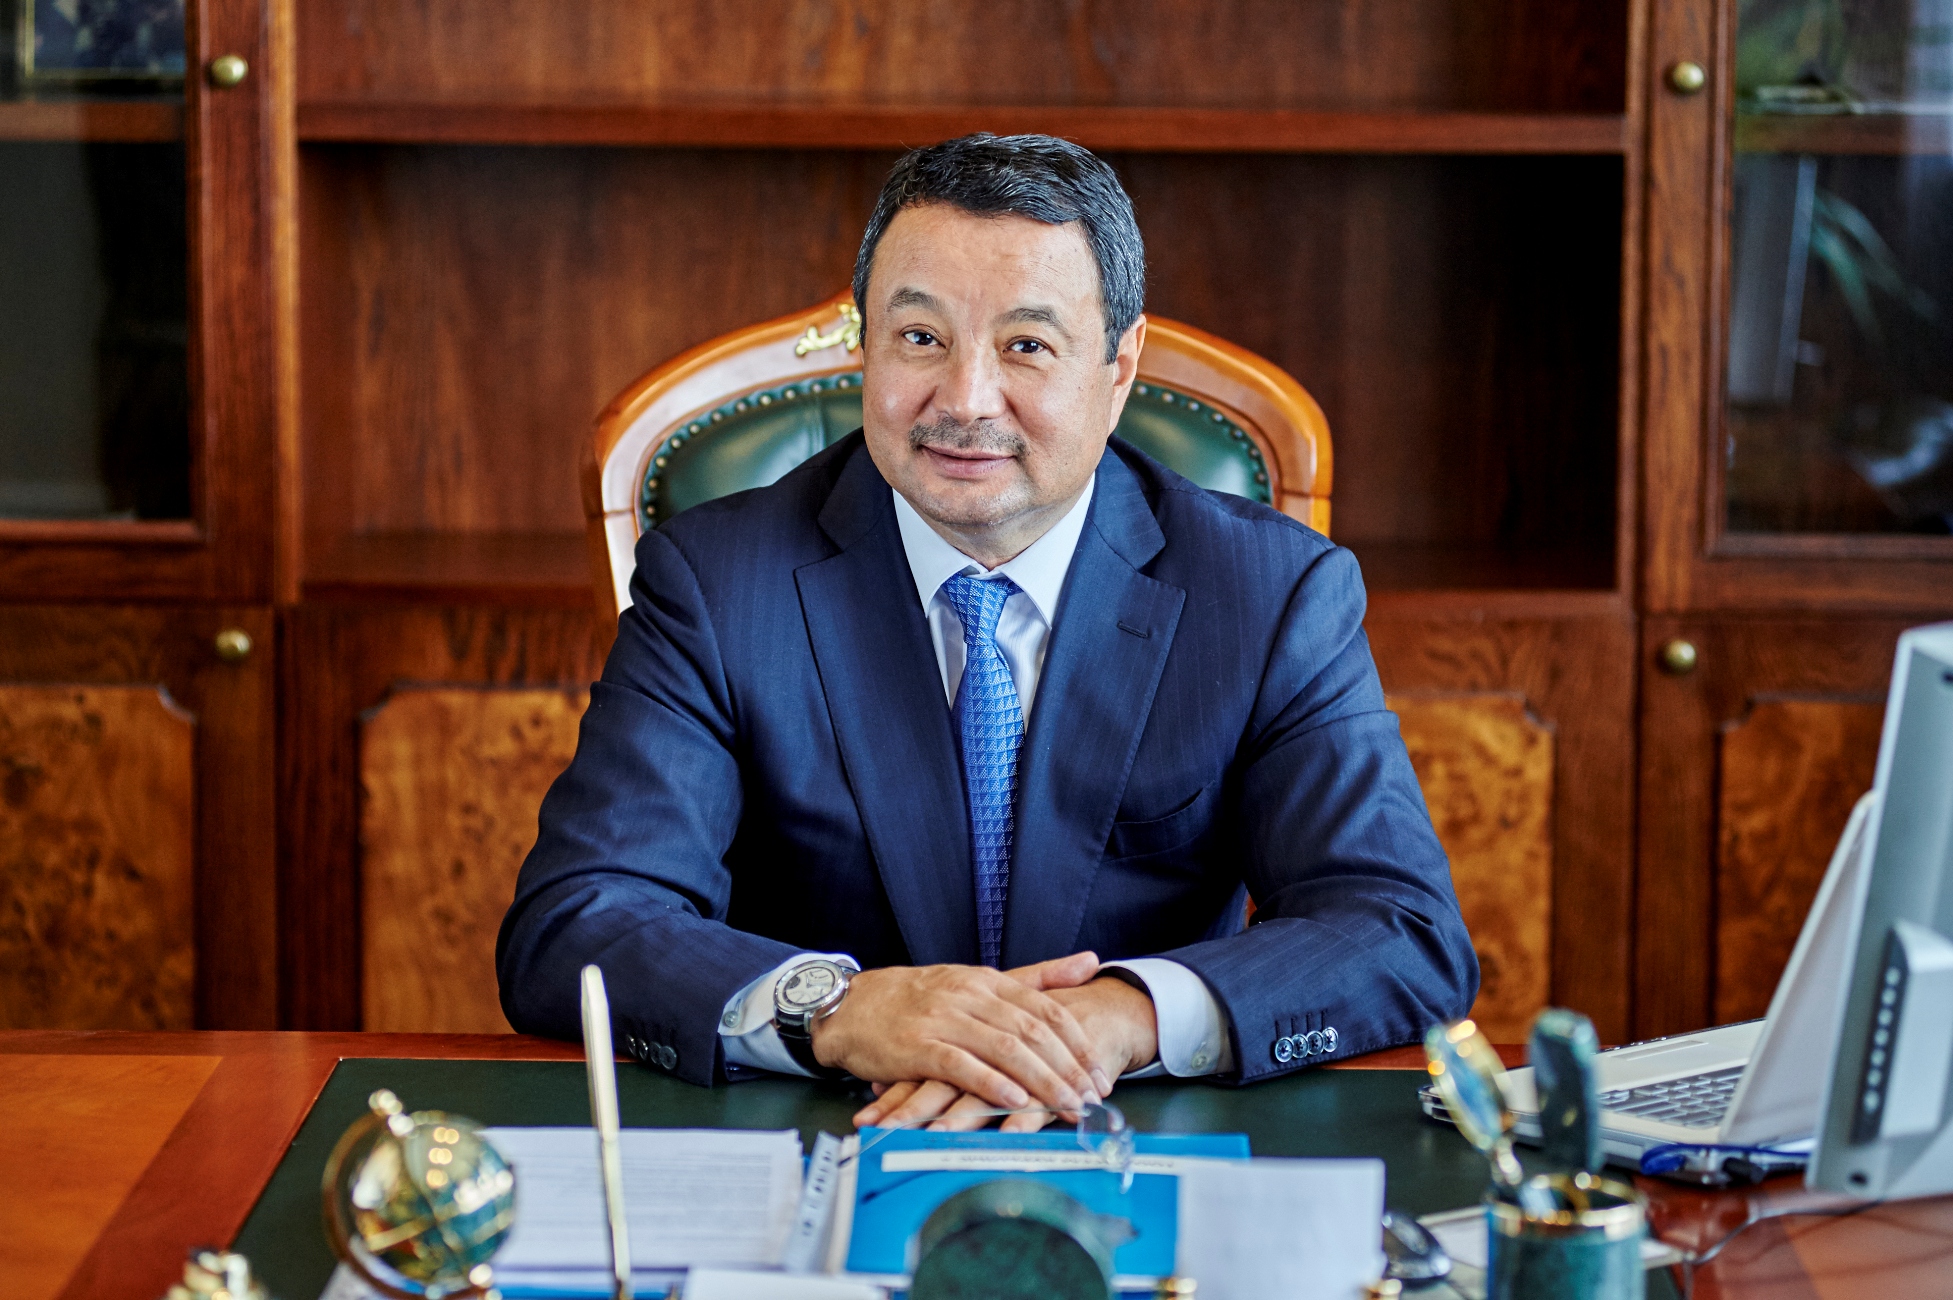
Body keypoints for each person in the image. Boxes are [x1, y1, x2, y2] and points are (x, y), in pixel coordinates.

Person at [498, 133, 1476, 1135]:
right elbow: (578, 920)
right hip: (826, 1132)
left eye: (1026, 346)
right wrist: (834, 1008)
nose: (964, 400)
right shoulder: (717, 583)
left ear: (1118, 367)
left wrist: (1121, 1018)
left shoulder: (1267, 594)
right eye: (920, 337)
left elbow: (1398, 928)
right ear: (866, 345)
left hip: (1138, 1138)